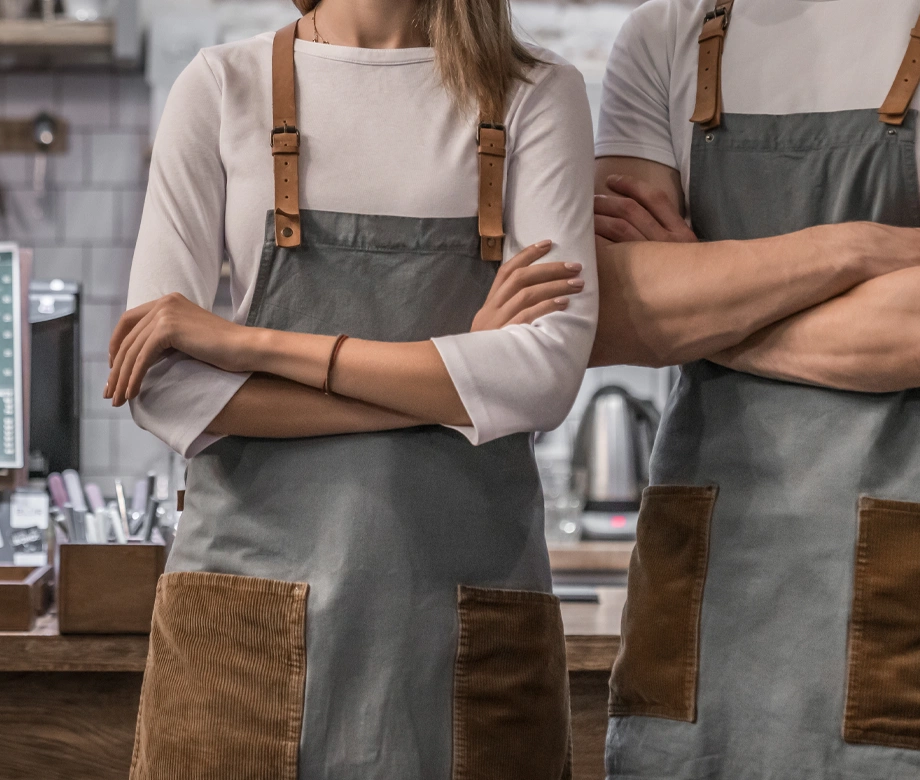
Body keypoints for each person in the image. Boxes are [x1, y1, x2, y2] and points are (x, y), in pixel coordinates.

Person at [589, 0, 920, 778]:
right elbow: (612, 318)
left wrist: (702, 306)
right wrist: (855, 250)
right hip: (707, 607)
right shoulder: (664, 33)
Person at [104, 0, 598, 775]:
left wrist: (248, 345)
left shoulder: (535, 92)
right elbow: (164, 387)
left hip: (463, 634)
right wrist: (458, 369)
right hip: (242, 631)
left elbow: (541, 377)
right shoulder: (220, 88)